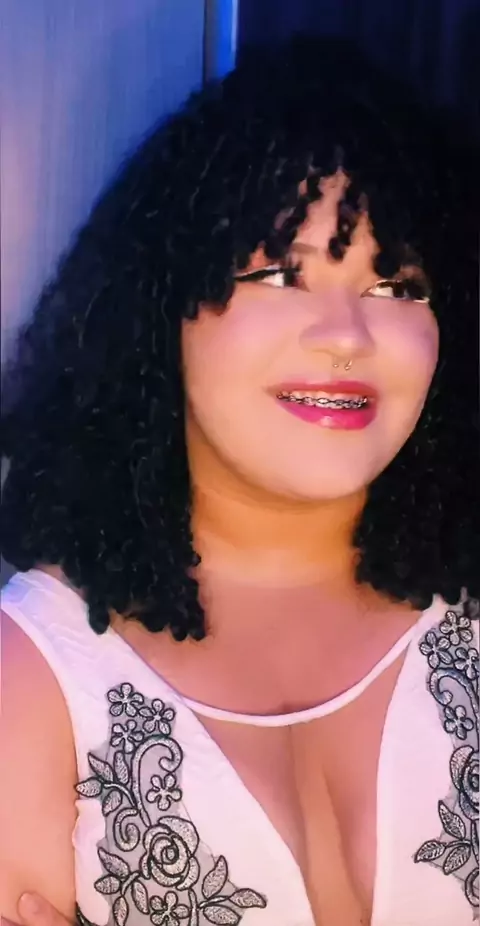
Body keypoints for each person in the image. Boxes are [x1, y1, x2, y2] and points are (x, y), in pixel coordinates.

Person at [0, 35, 478, 926]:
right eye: (281, 273)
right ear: (160, 314)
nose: (347, 335)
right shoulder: (31, 675)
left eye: (397, 285)